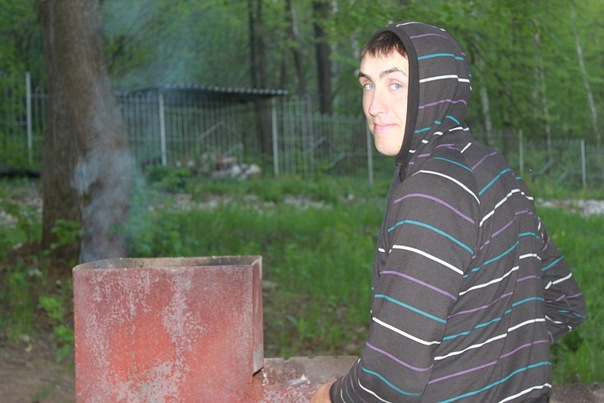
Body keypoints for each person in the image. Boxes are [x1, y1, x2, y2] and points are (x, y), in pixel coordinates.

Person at [311, 20, 586, 402]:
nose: (374, 106)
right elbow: (565, 302)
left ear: (436, 88)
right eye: (368, 84)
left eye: (395, 84)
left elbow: (393, 375)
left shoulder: (433, 191)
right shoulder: (493, 169)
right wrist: (489, 355)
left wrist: (332, 397)